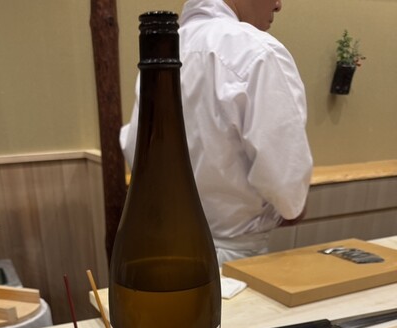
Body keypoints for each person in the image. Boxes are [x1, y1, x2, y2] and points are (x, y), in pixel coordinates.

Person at [120, 0, 313, 265]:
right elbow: (286, 183)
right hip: (237, 257)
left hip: (169, 250)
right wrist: (291, 205)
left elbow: (135, 149)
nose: (278, 5)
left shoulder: (168, 47)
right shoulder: (258, 52)